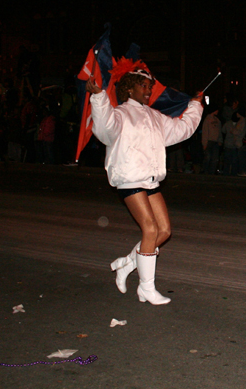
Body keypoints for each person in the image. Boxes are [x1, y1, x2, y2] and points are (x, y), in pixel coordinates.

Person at [86, 68, 203, 305]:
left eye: (150, 86)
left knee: (164, 231)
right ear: (129, 89)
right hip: (130, 178)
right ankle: (146, 288)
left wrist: (195, 105)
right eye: (144, 86)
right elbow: (104, 129)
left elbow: (181, 130)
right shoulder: (119, 114)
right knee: (150, 230)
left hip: (150, 180)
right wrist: (98, 97)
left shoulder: (154, 116)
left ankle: (128, 263)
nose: (149, 90)